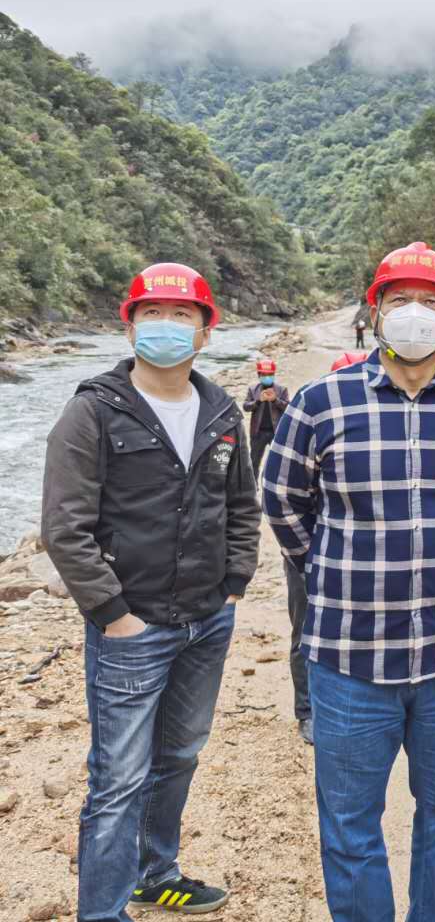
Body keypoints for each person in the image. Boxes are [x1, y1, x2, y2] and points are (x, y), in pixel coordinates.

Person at [262, 242, 435, 922]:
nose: (414, 313)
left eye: (430, 302)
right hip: (349, 662)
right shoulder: (320, 403)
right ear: (374, 313)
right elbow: (282, 500)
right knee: (350, 827)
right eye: (400, 300)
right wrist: (330, 570)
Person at [41, 262, 259, 920]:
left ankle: (155, 873)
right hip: (130, 629)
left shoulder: (222, 411)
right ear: (131, 327)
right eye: (152, 313)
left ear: (205, 331)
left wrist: (234, 583)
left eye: (181, 315)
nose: (167, 325)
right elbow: (64, 527)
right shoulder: (92, 411)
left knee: (180, 756)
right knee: (118, 780)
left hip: (206, 621)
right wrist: (113, 615)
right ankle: (102, 913)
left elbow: (241, 506)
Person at [242, 358, 290, 479]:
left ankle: (274, 483)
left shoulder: (281, 390)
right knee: (254, 462)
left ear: (273, 375)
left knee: (278, 461)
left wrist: (275, 400)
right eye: (264, 375)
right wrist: (258, 401)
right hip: (258, 433)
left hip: (276, 432)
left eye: (270, 374)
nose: (267, 377)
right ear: (259, 375)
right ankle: (253, 485)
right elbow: (246, 407)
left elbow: (288, 408)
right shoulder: (253, 390)